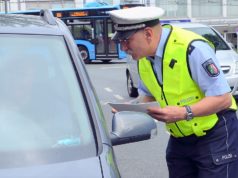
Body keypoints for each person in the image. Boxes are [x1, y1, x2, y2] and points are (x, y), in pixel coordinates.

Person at [109, 6, 238, 178]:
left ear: (148, 34)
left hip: (215, 136)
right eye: (121, 42)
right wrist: (130, 109)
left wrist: (184, 112)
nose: (124, 48)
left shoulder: (192, 48)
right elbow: (149, 96)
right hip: (180, 140)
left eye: (127, 41)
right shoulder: (144, 59)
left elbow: (223, 99)